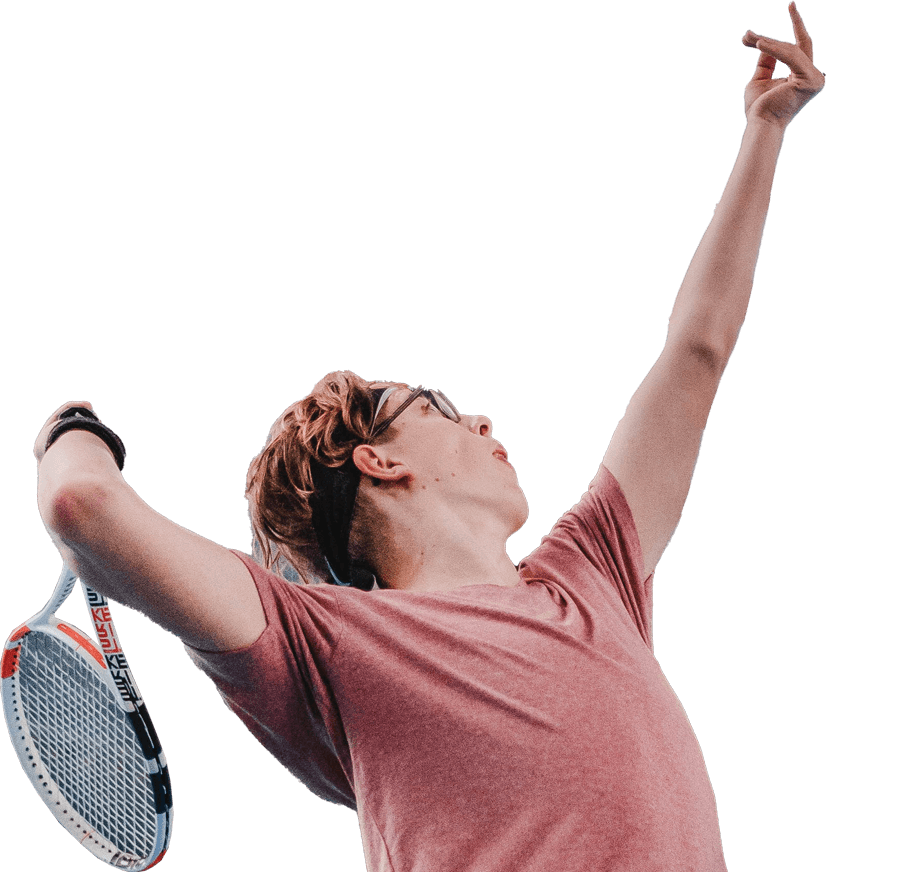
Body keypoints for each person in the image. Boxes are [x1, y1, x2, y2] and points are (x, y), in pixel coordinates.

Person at [33, 7, 824, 870]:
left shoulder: (591, 572)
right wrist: (71, 429)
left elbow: (697, 349)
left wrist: (764, 131)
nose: (481, 421)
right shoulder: (316, 640)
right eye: (438, 408)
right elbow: (81, 500)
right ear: (377, 461)